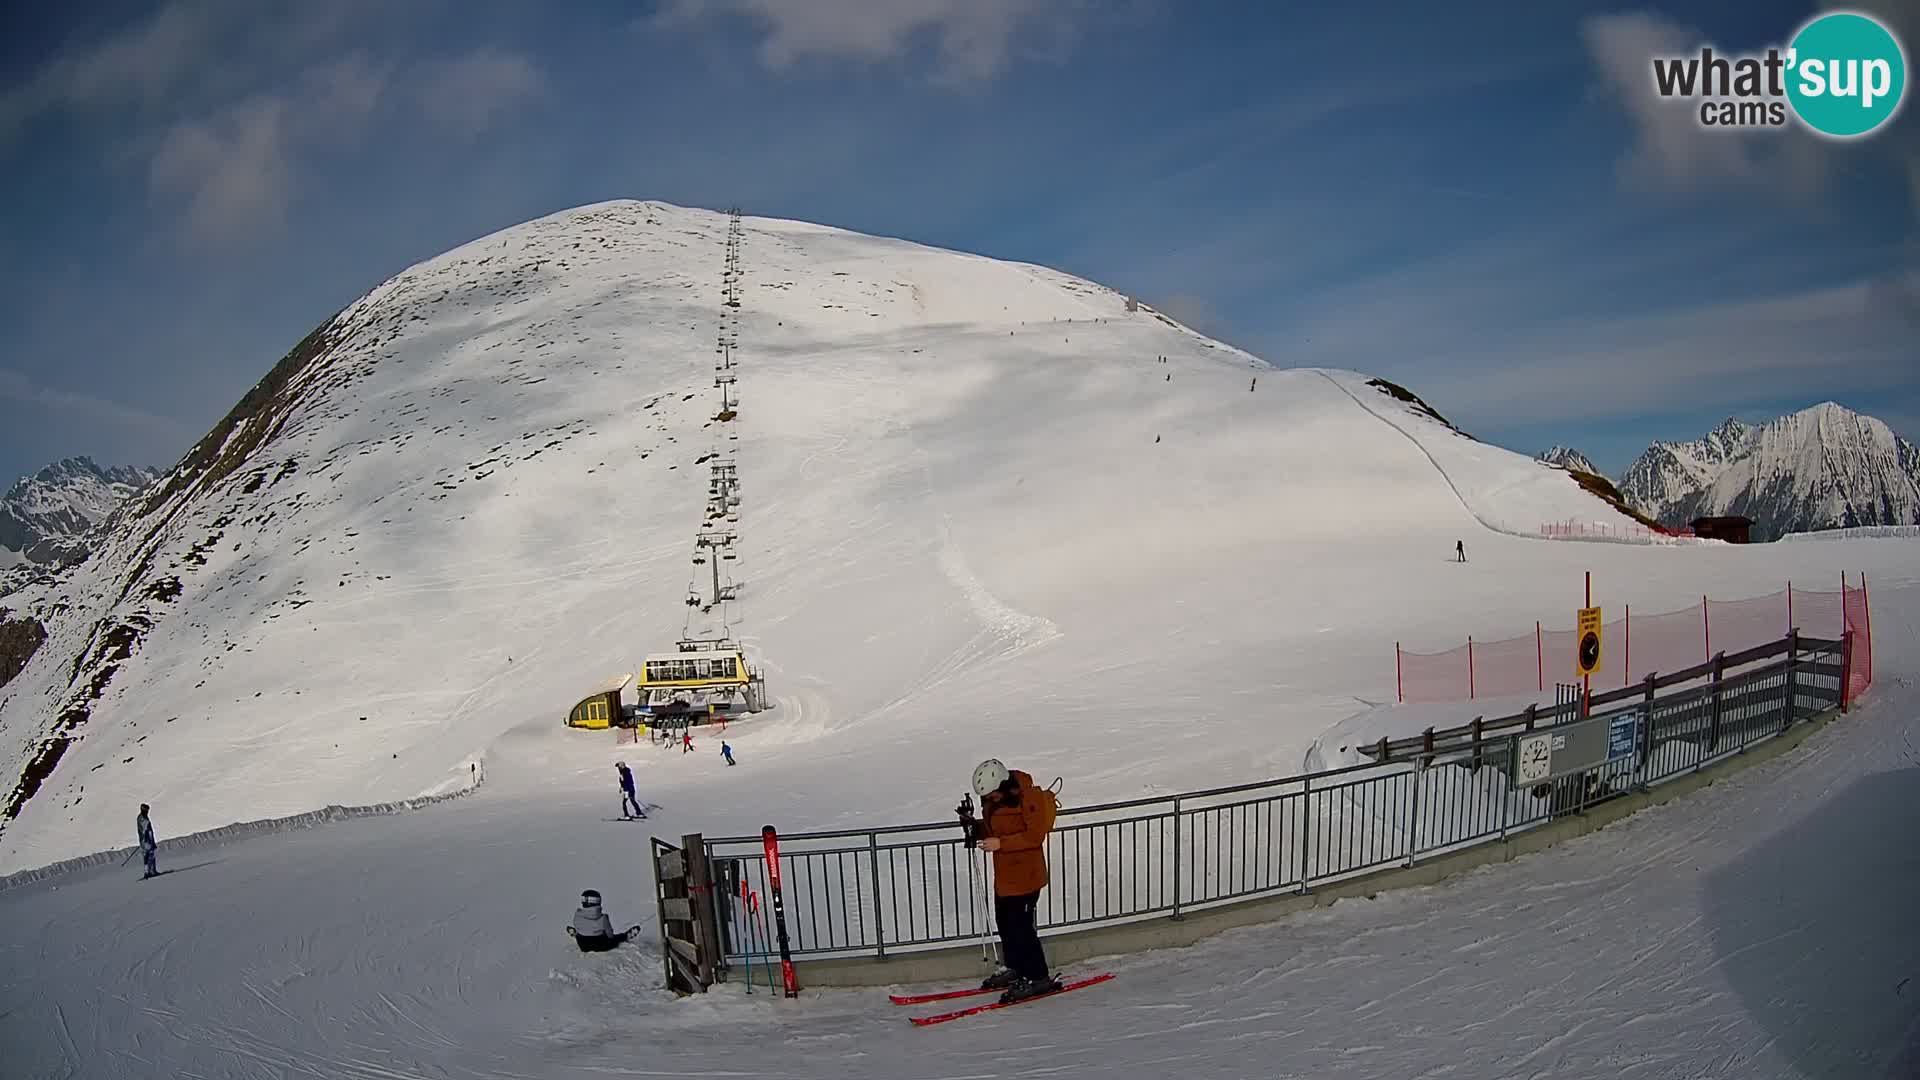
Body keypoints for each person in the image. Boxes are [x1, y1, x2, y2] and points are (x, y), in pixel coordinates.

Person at [968, 759, 1061, 1004]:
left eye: (993, 794)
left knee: (1022, 929)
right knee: (1006, 923)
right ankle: (1016, 967)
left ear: (1003, 784)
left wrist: (1000, 844)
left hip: (1027, 876)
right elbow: (994, 828)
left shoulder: (1029, 798)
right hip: (1006, 877)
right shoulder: (994, 799)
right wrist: (974, 827)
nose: (991, 798)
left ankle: (1038, 977)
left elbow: (1034, 836)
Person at [567, 889, 635, 952]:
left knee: (580, 934)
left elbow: (578, 925)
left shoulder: (577, 915)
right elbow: (610, 935)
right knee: (616, 938)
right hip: (601, 946)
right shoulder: (603, 918)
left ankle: (576, 934)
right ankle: (626, 936)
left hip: (584, 947)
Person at [136, 804, 158, 879]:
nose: (147, 812)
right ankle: (148, 872)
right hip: (145, 840)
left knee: (151, 854)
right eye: (146, 810)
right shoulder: (141, 818)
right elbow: (144, 829)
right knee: (148, 855)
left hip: (148, 839)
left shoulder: (144, 817)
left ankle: (152, 870)